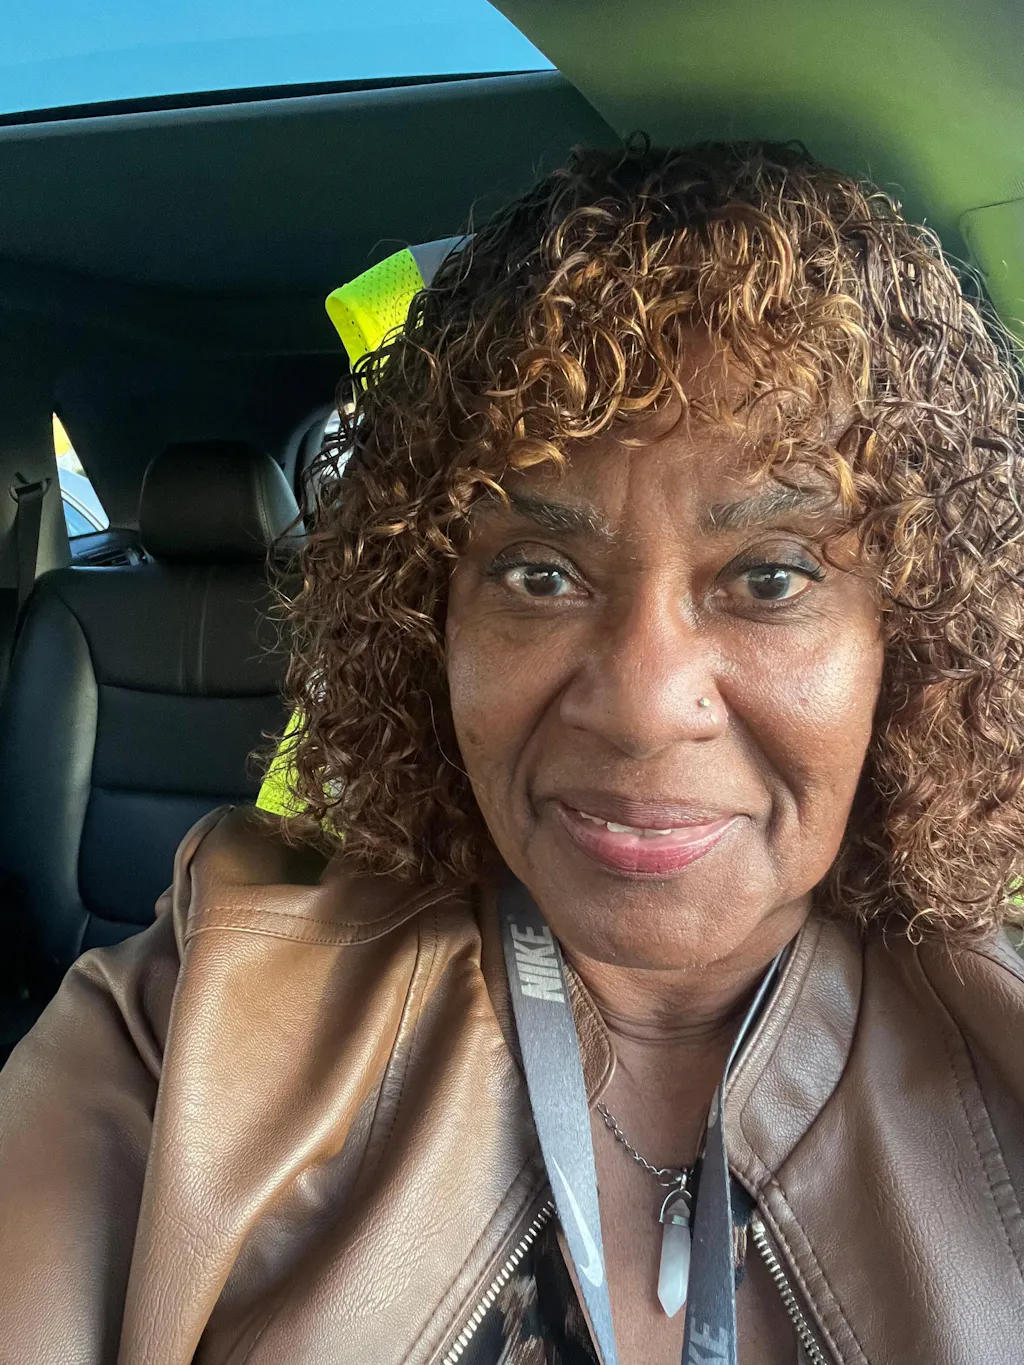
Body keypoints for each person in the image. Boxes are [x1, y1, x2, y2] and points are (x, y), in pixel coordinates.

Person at [2, 140, 1024, 1365]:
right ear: (426, 624)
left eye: (769, 577)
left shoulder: (1002, 1045)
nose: (641, 708)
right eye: (538, 575)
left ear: (910, 636)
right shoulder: (188, 1031)